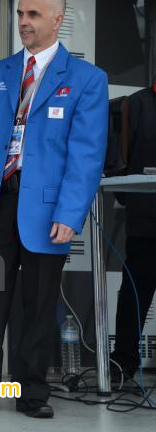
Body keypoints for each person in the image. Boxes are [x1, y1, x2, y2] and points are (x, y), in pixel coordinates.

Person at [0, 0, 108, 419]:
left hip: (49, 210)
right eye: (19, 13)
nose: (23, 21)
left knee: (37, 306)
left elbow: (86, 156)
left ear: (58, 20)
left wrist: (71, 214)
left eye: (33, 13)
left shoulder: (88, 79)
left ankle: (32, 391)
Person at [110, 84, 156, 381]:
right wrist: (133, 197)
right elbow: (121, 157)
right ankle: (123, 362)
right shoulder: (135, 103)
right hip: (147, 217)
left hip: (143, 212)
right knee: (135, 292)